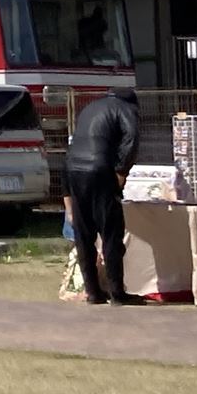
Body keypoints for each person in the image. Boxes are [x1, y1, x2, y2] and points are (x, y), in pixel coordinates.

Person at [65, 86, 143, 306]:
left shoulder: (89, 108)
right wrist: (121, 171)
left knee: (84, 234)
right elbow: (131, 139)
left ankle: (92, 291)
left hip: (74, 169)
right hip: (100, 170)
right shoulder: (126, 109)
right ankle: (117, 293)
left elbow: (73, 143)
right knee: (110, 232)